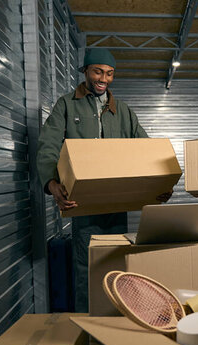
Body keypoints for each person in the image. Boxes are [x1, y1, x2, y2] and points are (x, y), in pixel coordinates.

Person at [36, 48, 171, 312]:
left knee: (117, 265)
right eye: (98, 71)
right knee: (87, 266)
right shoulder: (67, 105)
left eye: (109, 74)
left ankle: (117, 322)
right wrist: (52, 184)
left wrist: (160, 184)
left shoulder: (122, 111)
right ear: (85, 71)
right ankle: (88, 328)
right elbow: (48, 145)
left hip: (117, 204)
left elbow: (146, 149)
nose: (103, 79)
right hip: (83, 204)